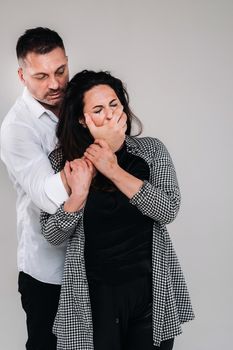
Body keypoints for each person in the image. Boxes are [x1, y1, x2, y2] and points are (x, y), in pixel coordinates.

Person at [41, 70, 195, 350]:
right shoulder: (62, 163)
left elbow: (168, 209)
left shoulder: (151, 151)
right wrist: (78, 195)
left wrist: (112, 168)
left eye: (114, 104)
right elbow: (52, 235)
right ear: (81, 119)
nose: (110, 115)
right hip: (93, 301)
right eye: (98, 109)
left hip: (149, 295)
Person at [0, 29, 126, 349]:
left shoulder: (77, 100)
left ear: (67, 61)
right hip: (49, 272)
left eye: (60, 71)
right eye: (41, 76)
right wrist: (103, 149)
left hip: (98, 266)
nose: (54, 84)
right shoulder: (16, 129)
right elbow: (47, 195)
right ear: (21, 75)